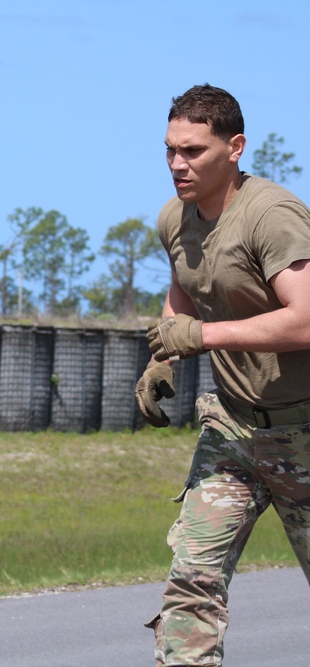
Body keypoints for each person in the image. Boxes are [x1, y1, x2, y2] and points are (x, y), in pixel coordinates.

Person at [138, 83, 310, 667]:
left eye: (194, 151)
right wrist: (164, 357)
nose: (177, 165)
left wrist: (203, 337)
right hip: (232, 431)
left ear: (234, 147)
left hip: (304, 428)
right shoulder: (174, 219)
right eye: (170, 150)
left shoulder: (272, 215)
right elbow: (185, 291)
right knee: (191, 581)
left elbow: (306, 320)